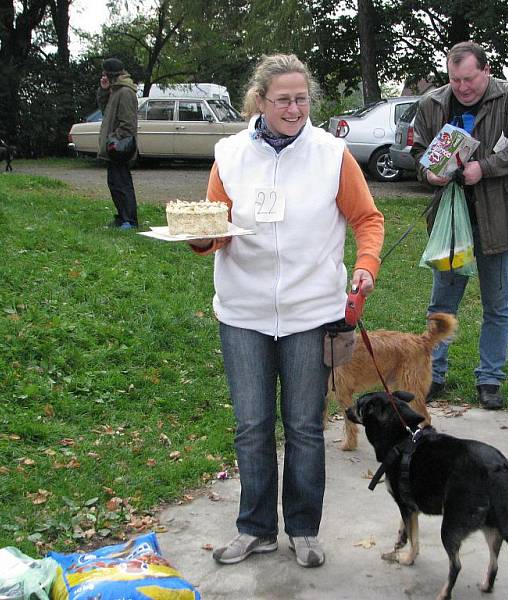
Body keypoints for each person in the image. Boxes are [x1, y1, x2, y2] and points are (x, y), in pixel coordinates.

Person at [188, 54, 384, 568]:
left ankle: (303, 529)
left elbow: (367, 218)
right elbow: (213, 227)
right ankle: (255, 529)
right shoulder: (229, 155)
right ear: (259, 101)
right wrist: (202, 239)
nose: (294, 108)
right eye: (283, 100)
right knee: (252, 426)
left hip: (309, 313)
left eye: (301, 99)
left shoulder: (331, 154)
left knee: (302, 426)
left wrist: (365, 265)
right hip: (242, 311)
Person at [411, 41, 508, 410]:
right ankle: (433, 375)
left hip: (500, 219)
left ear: (485, 71)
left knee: (497, 305)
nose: (462, 87)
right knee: (442, 301)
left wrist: (485, 167)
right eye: (455, 80)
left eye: (469, 79)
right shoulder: (432, 103)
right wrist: (429, 173)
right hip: (450, 223)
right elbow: (418, 151)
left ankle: (490, 379)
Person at [97, 58, 138, 229]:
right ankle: (122, 217)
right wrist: (104, 90)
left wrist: (114, 138)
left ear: (110, 73)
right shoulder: (115, 90)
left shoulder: (126, 92)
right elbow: (105, 110)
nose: (102, 76)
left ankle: (129, 221)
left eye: (104, 73)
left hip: (121, 147)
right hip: (114, 147)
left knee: (122, 184)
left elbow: (127, 124)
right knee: (115, 183)